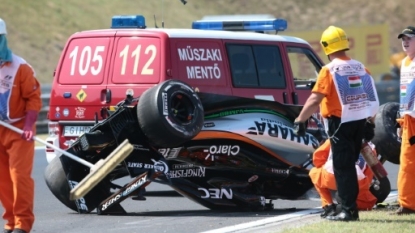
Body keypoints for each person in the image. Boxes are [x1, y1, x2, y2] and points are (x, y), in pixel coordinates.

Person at [292, 25, 379, 221]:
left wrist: (300, 120)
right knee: (349, 165)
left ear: (325, 46)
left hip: (339, 124)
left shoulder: (328, 70)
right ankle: (348, 207)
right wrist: (371, 122)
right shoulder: (360, 67)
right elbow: (370, 97)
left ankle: (348, 211)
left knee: (343, 167)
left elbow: (315, 99)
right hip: (359, 122)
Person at [0, 18, 42, 233]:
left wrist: (28, 124)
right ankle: (10, 220)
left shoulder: (20, 67)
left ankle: (22, 224)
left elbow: (34, 99)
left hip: (19, 129)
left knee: (19, 176)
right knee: (2, 179)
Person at [309, 140, 377, 218]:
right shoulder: (370, 147)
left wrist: (324, 166)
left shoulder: (335, 136)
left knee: (313, 172)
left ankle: (328, 205)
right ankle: (350, 204)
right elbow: (370, 172)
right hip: (356, 178)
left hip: (333, 174)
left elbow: (317, 159)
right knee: (368, 203)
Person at [394, 26, 415, 215]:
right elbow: (404, 94)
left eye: (409, 38)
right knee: (407, 162)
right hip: (409, 119)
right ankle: (408, 204)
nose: (405, 42)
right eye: (403, 39)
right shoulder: (405, 63)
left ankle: (408, 204)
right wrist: (401, 120)